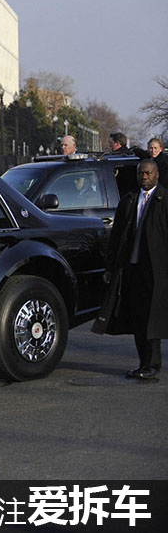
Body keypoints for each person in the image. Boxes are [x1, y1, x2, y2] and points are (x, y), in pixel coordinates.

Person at [93, 160, 167, 380]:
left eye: (148, 173)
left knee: (151, 320)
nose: (144, 177)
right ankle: (142, 363)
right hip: (130, 269)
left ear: (157, 175)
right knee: (137, 318)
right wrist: (110, 267)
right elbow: (117, 237)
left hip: (155, 270)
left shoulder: (164, 200)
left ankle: (152, 366)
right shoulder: (129, 199)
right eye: (141, 173)